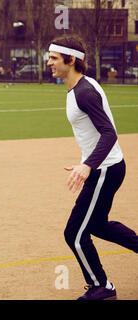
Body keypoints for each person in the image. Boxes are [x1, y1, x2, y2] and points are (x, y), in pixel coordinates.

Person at [47, 35, 138, 300]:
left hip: (104, 170)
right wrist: (88, 163)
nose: (49, 62)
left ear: (71, 60)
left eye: (54, 58)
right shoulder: (79, 87)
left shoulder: (84, 92)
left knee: (74, 233)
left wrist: (87, 166)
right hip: (104, 168)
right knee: (97, 225)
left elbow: (109, 134)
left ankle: (102, 287)